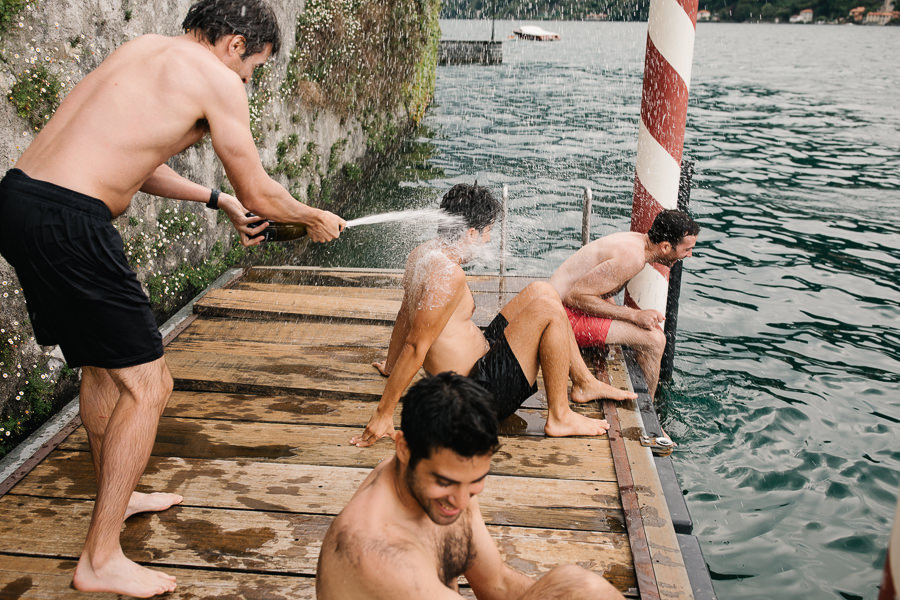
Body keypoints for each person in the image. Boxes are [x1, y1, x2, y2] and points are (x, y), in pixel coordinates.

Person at [0, 1, 346, 596]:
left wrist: (215, 200)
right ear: (235, 44)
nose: (247, 82)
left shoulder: (141, 53)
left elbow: (136, 161)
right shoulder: (216, 77)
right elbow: (260, 187)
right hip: (71, 221)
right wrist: (313, 216)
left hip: (20, 202)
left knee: (104, 364)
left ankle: (120, 490)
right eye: (253, 69)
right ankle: (100, 558)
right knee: (150, 384)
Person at [351, 183, 635, 448]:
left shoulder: (421, 254)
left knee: (543, 291)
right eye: (487, 231)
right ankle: (560, 415)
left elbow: (406, 310)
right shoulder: (449, 276)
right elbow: (415, 345)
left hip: (482, 363)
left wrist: (390, 365)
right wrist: (383, 413)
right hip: (476, 396)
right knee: (548, 310)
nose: (489, 239)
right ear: (470, 233)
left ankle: (584, 382)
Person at [319, 373, 626, 599]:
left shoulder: (453, 484)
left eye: (475, 481)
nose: (460, 500)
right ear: (403, 448)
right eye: (445, 482)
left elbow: (496, 585)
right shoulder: (378, 553)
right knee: (577, 587)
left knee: (581, 591)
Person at [548, 209, 700, 399]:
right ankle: (649, 415)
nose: (690, 255)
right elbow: (575, 296)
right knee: (655, 341)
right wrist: (633, 315)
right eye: (686, 249)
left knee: (643, 331)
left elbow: (593, 290)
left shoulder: (635, 242)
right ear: (666, 247)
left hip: (558, 310)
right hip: (560, 320)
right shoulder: (633, 258)